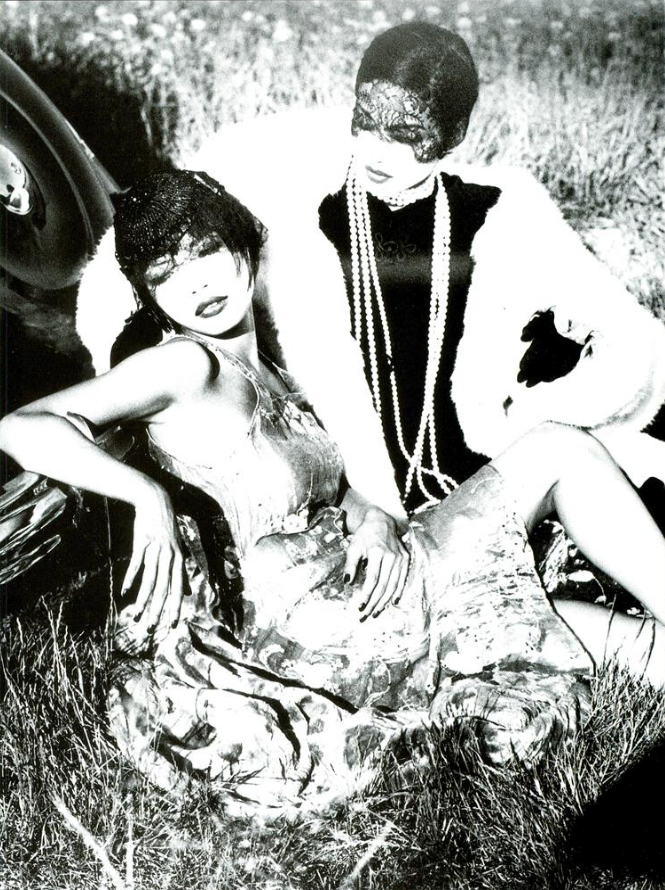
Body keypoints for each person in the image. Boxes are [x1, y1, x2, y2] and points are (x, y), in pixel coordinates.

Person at [2, 171, 664, 817]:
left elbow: (330, 492)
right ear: (150, 296)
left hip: (356, 593)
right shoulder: (184, 365)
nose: (196, 283)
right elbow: (20, 425)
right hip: (311, 632)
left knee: (584, 627)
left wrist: (371, 518)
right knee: (558, 449)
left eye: (205, 252)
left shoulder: (268, 367)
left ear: (243, 244)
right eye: (166, 274)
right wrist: (145, 495)